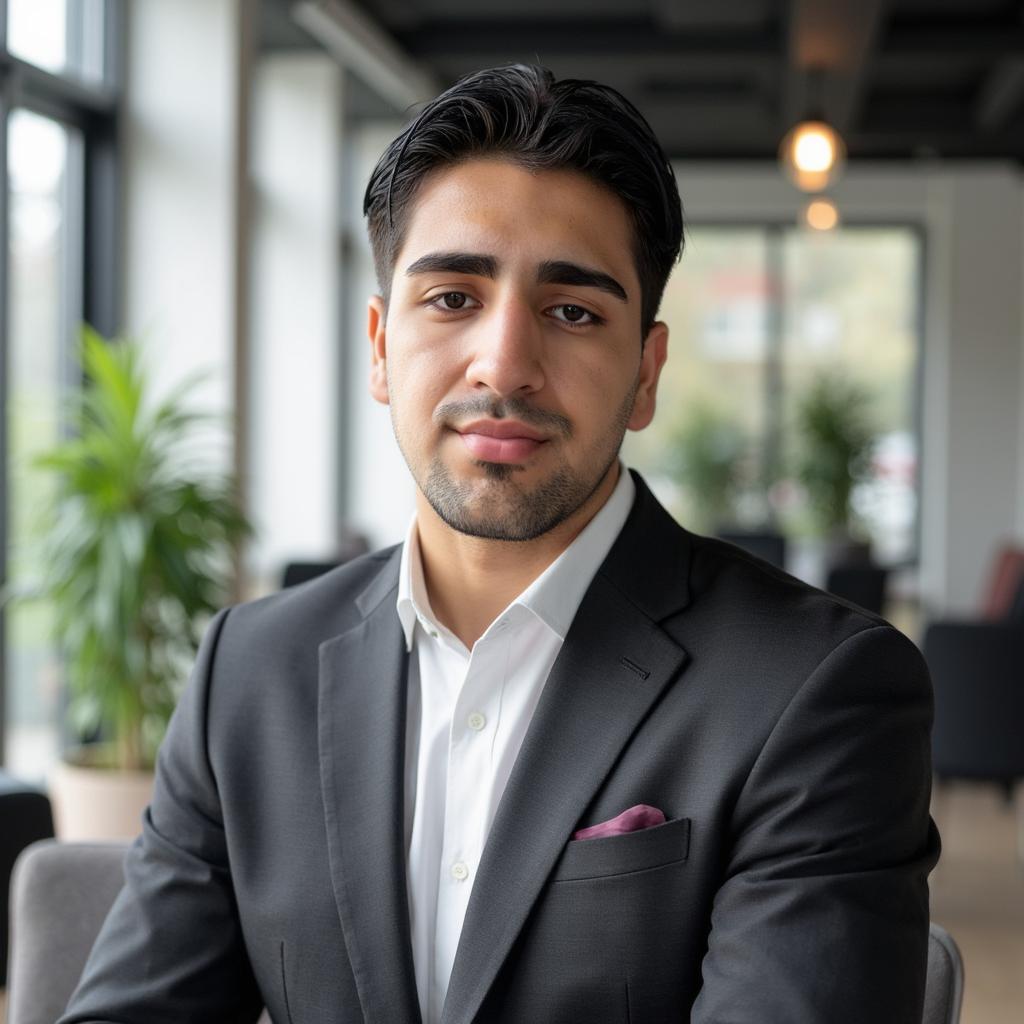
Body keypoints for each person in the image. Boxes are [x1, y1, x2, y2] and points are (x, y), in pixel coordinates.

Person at [61, 64, 939, 1024]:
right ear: (380, 348)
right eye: (450, 298)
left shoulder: (817, 691)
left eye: (573, 312)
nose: (505, 363)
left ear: (646, 373)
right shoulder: (251, 672)